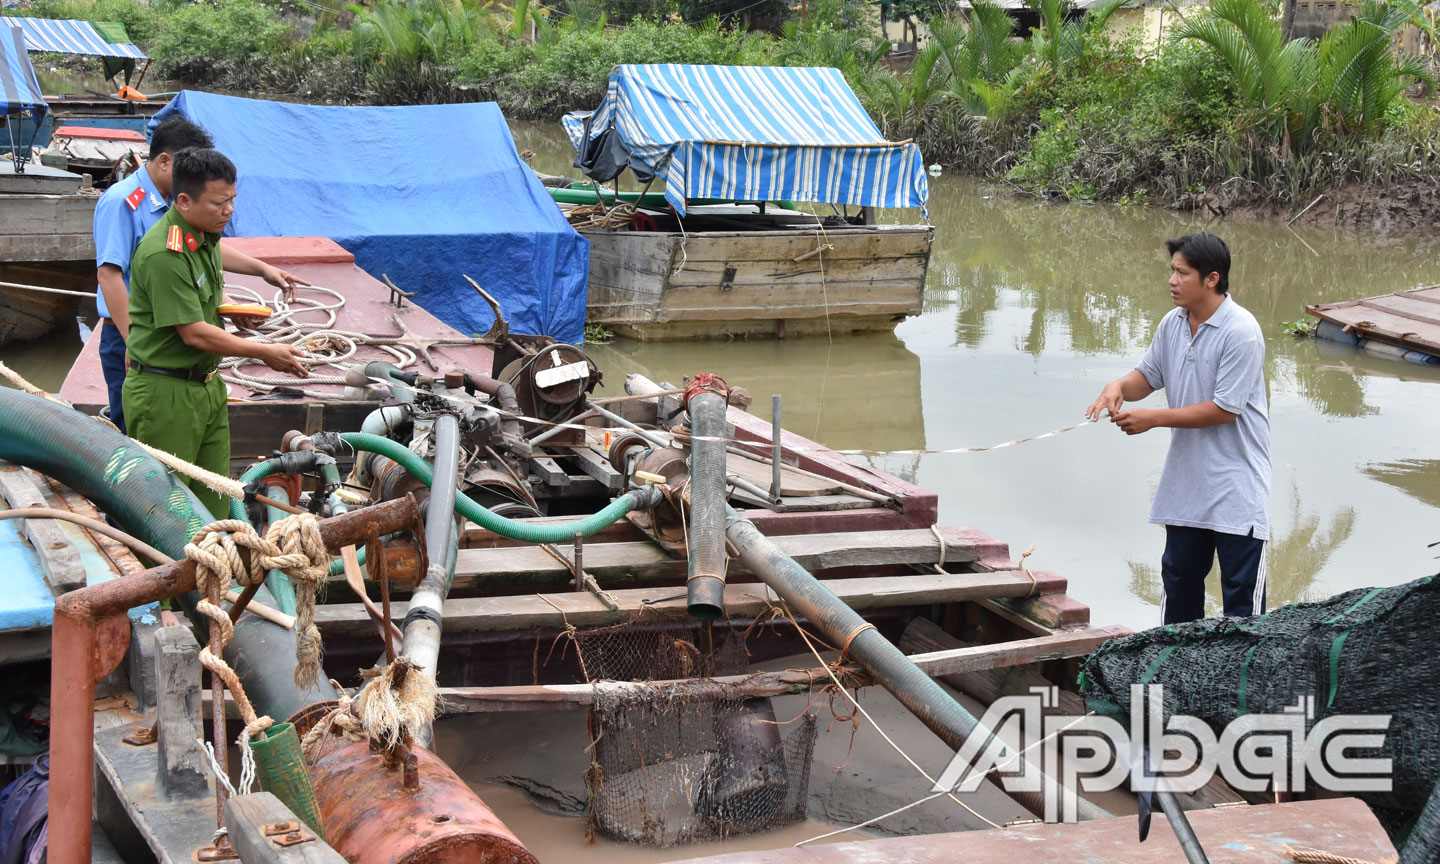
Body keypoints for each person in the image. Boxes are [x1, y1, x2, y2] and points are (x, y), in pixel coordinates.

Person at [1085, 232, 1271, 625]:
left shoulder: (1242, 331)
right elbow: (1147, 378)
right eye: (1172, 271)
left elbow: (1224, 409)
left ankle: (1243, 685)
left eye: (1182, 273)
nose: (1171, 280)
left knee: (1244, 613)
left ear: (1211, 279)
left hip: (1236, 491)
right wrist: (1117, 387)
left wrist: (1153, 419)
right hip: (1187, 488)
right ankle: (1176, 682)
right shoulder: (1172, 324)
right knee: (1180, 593)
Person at [92, 115, 308, 432]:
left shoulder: (174, 201)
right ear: (164, 161)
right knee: (139, 430)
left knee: (174, 429)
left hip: (170, 331)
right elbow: (109, 276)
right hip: (133, 333)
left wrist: (261, 270)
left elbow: (201, 252)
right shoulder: (123, 202)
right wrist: (132, 342)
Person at [123, 148, 308, 518]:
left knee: (213, 496)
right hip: (166, 394)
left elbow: (216, 258)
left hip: (206, 386)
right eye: (219, 203)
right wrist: (265, 352)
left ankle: (212, 573)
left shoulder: (201, 234)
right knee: (167, 511)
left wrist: (260, 271)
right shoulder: (164, 252)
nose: (229, 211)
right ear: (184, 201)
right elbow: (193, 333)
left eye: (232, 200)